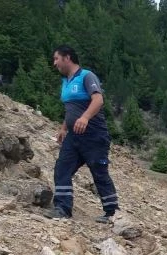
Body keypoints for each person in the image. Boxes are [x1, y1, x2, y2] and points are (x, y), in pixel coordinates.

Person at [44, 45, 119, 223]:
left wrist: (85, 117)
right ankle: (62, 208)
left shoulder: (87, 76)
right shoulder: (65, 82)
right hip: (74, 136)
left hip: (94, 135)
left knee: (99, 172)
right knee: (62, 168)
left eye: (56, 59)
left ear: (67, 57)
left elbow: (98, 99)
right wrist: (63, 128)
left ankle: (113, 213)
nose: (54, 63)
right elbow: (71, 109)